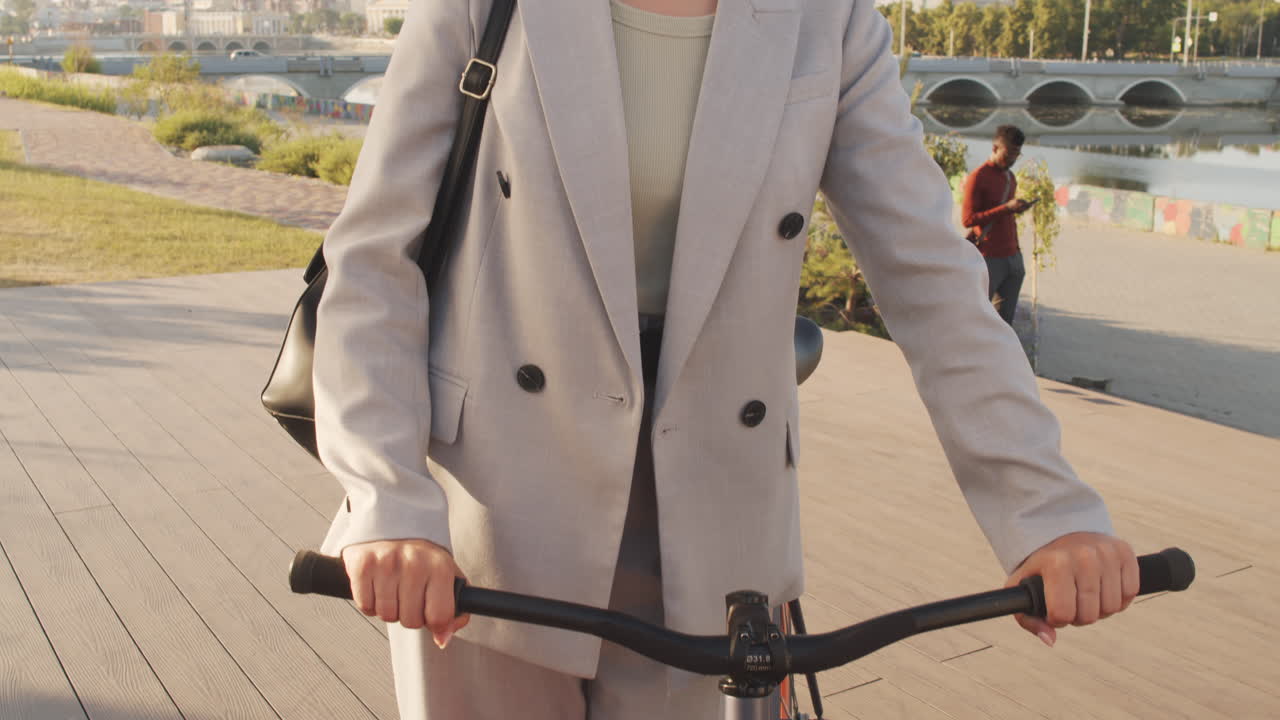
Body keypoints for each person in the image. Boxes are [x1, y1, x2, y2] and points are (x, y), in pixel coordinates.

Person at [311, 1, 1139, 718]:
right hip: (488, 535)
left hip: (717, 537)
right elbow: (375, 258)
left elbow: (931, 275)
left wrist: (1047, 509)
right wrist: (389, 501)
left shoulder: (827, 18)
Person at [962, 124, 1034, 326]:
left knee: (1003, 323)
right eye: (1009, 153)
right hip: (989, 258)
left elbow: (1006, 216)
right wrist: (1006, 208)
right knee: (978, 316)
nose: (1013, 159)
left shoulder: (1010, 177)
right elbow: (968, 219)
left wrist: (1015, 209)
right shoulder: (978, 177)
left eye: (1017, 154)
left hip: (1013, 257)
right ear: (995, 148)